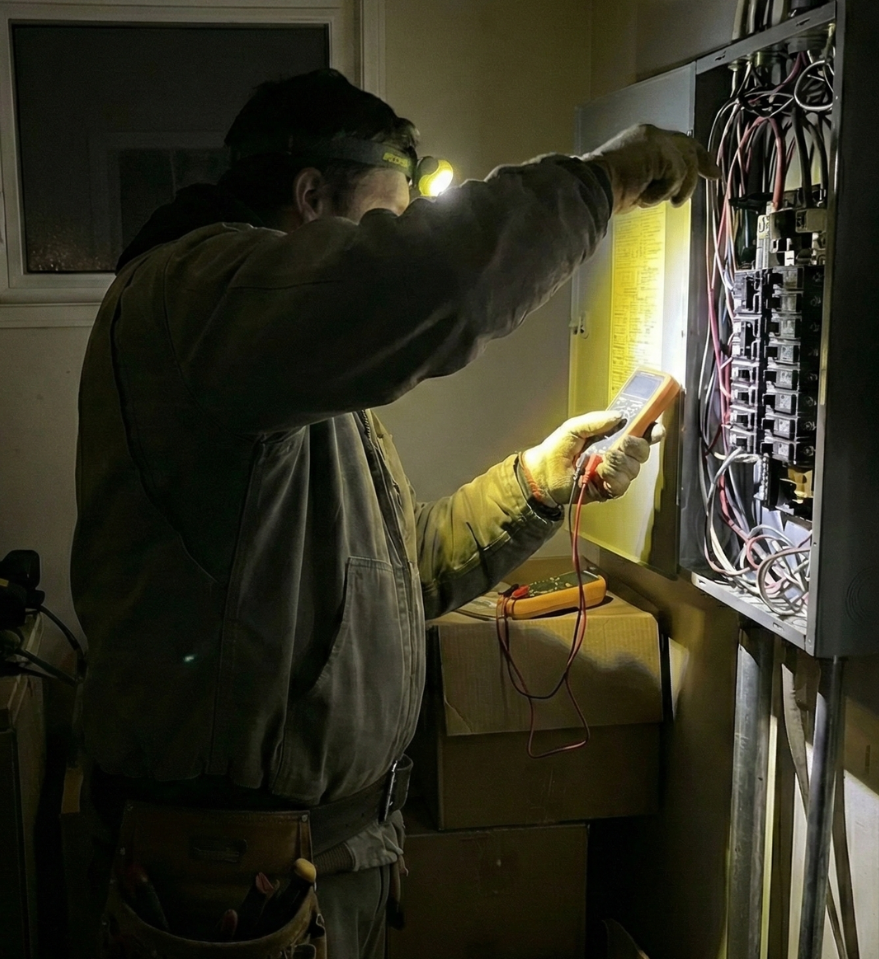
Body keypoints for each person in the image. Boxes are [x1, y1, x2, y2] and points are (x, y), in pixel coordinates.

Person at [71, 69, 715, 958]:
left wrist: (534, 482)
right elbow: (432, 285)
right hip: (225, 884)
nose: (391, 237)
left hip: (317, 861)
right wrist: (602, 179)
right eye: (385, 214)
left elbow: (392, 574)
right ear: (309, 196)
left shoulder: (277, 373)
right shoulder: (192, 297)